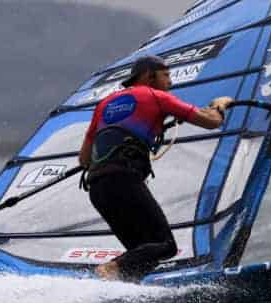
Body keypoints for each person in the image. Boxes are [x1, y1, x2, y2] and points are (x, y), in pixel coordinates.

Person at [78, 55, 235, 282]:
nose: (170, 82)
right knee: (165, 246)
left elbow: (84, 159)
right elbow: (211, 121)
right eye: (166, 75)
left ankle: (118, 292)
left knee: (142, 256)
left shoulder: (104, 104)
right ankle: (109, 268)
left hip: (98, 188)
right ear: (148, 76)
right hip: (124, 180)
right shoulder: (156, 96)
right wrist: (219, 105)